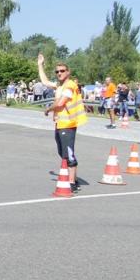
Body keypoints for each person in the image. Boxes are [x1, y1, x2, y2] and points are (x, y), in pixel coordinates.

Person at [37, 54, 87, 193]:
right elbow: (45, 82)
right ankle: (74, 179)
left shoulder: (70, 86)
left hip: (68, 124)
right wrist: (40, 65)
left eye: (62, 71)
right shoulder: (60, 86)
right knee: (62, 152)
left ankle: (72, 183)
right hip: (60, 123)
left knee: (68, 153)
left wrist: (48, 109)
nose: (59, 73)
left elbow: (60, 103)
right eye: (57, 71)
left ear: (68, 72)